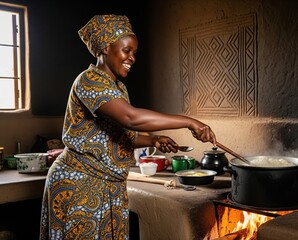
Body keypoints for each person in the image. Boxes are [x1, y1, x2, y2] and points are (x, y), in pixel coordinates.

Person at [39, 14, 216, 240]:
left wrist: (153, 140)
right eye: (126, 50)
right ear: (105, 48)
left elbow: (118, 135)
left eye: (134, 53)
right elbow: (130, 118)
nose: (132, 58)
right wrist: (190, 121)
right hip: (80, 183)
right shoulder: (89, 80)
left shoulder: (117, 88)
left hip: (107, 184)